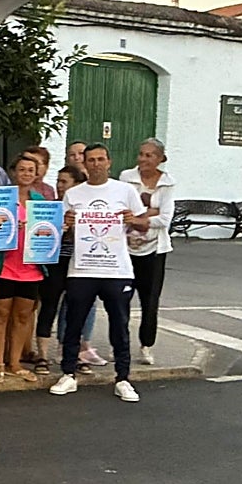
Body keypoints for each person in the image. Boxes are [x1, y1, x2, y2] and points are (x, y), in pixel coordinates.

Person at [50, 143, 149, 402]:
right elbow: (63, 231)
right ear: (84, 163)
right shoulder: (73, 194)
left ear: (109, 162)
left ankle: (123, 378)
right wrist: (68, 224)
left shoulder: (126, 191)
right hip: (82, 268)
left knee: (120, 324)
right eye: (90, 160)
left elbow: (144, 225)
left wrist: (132, 220)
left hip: (116, 269)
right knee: (74, 323)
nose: (95, 164)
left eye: (100, 159)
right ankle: (69, 373)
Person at [0, 155, 47, 384]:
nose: (26, 173)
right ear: (13, 172)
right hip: (4, 265)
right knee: (0, 314)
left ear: (37, 173)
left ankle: (15, 363)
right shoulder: (0, 199)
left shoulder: (40, 200)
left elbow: (49, 228)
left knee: (23, 316)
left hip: (31, 266)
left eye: (31, 170)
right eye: (22, 169)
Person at [34, 165, 97, 375]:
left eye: (64, 182)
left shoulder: (87, 209)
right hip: (55, 261)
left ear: (77, 185)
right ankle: (42, 355)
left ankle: (73, 353)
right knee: (49, 305)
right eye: (58, 181)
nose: (59, 186)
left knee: (76, 308)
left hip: (78, 262)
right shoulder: (50, 207)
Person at [119, 138, 175, 365]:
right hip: (126, 247)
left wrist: (139, 218)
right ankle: (119, 345)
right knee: (120, 299)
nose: (143, 159)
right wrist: (149, 212)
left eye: (149, 155)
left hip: (155, 250)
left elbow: (165, 219)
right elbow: (123, 210)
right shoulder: (126, 178)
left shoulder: (167, 183)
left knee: (150, 301)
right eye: (141, 154)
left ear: (160, 158)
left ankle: (146, 345)